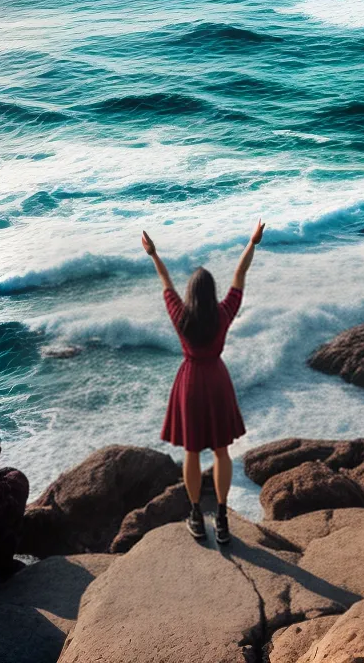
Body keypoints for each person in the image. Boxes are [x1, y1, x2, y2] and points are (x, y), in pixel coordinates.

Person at [141, 219, 265, 544]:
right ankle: (222, 518)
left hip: (191, 381)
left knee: (192, 452)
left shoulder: (180, 316)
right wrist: (252, 243)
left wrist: (153, 253)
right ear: (211, 293)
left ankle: (196, 514)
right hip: (217, 380)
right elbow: (240, 277)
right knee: (222, 452)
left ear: (191, 293)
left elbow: (165, 282)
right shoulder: (223, 314)